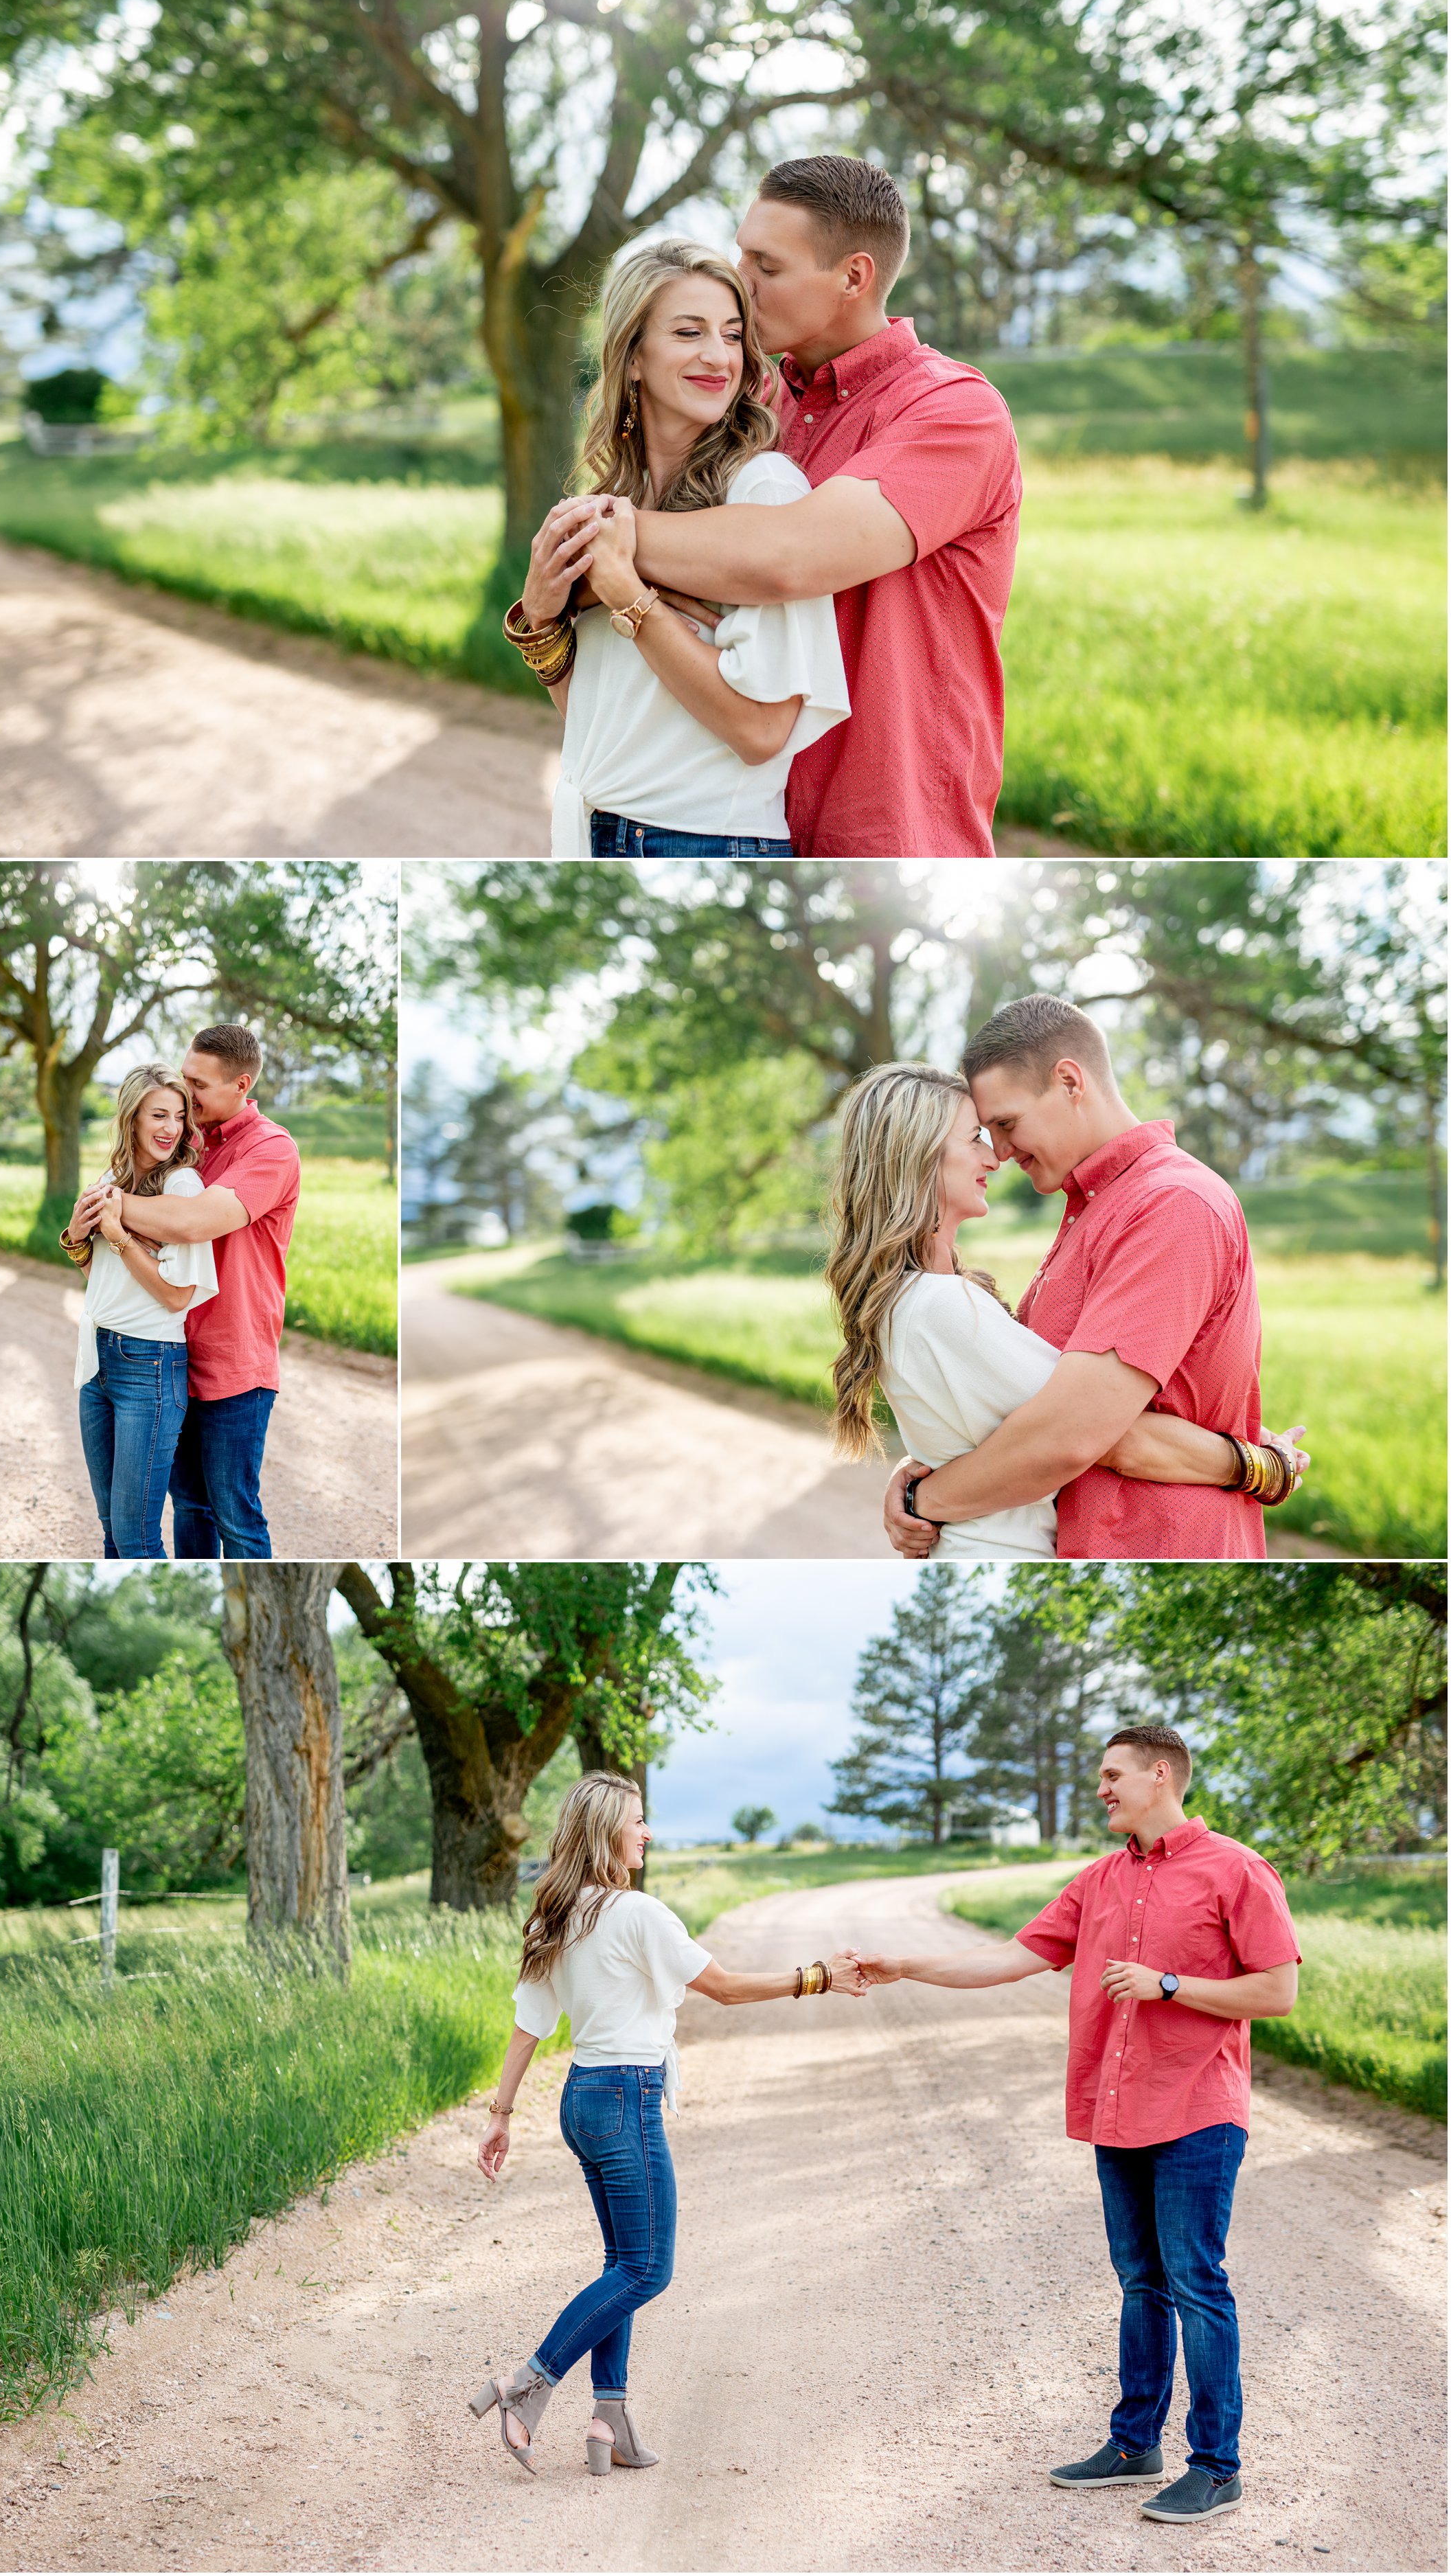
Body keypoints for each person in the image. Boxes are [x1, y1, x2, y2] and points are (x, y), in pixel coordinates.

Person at [858, 1726, 1302, 2525]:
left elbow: (1275, 1992)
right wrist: (906, 1965)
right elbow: (1007, 1958)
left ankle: (1217, 2466)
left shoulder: (1236, 1870)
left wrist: (1169, 1985)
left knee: (1197, 2284)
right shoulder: (1097, 1881)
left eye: (1110, 1774)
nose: (1099, 1788)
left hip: (1198, 2107)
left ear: (1157, 1775)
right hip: (1117, 2108)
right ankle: (1134, 2446)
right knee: (1141, 2282)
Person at [540, 155, 1020, 857]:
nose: (741, 283)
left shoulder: (953, 413)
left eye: (765, 266)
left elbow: (786, 557)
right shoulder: (749, 409)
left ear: (853, 277)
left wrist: (587, 537)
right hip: (727, 818)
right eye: (741, 256)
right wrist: (551, 611)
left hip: (886, 834)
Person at [468, 1772, 864, 2476]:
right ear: (605, 1833)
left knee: (621, 2263)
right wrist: (817, 1977)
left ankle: (609, 2420)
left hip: (582, 2099)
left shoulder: (556, 1914)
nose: (646, 1832)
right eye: (636, 1821)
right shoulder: (636, 1913)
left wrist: (501, 2115)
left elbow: (528, 2027)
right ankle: (527, 2384)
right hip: (624, 2095)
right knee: (647, 2269)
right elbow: (727, 1989)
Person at [828, 1063, 1305, 1558]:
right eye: (978, 1137)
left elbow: (1042, 1423)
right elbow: (1084, 1432)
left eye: (1004, 1126)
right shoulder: (940, 1304)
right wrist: (1265, 1465)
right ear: (917, 1158)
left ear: (1072, 1083)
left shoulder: (1168, 1204)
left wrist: (922, 1489)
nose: (998, 1156)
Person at [509, 237, 848, 858]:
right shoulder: (614, 501)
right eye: (689, 333)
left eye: (731, 335)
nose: (719, 357)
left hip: (700, 839)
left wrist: (629, 597)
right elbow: (597, 719)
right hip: (595, 827)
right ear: (633, 355)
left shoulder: (761, 490)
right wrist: (540, 615)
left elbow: (761, 730)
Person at [71, 1024, 300, 1558]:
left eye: (196, 1086)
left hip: (231, 1359)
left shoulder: (270, 1149)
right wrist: (81, 1237)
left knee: (234, 1514)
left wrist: (106, 1206)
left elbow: (196, 1221)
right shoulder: (191, 1143)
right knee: (189, 1506)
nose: (185, 1096)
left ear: (241, 1084)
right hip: (169, 1351)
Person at [59, 1064, 218, 1558]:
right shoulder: (110, 1180)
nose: (171, 1128)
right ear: (132, 1120)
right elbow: (102, 1281)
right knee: (111, 1527)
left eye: (178, 1115)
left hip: (149, 1365)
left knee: (136, 1535)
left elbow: (176, 1296)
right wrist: (76, 1239)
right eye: (158, 1115)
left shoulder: (184, 1188)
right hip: (98, 1361)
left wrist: (118, 1235)